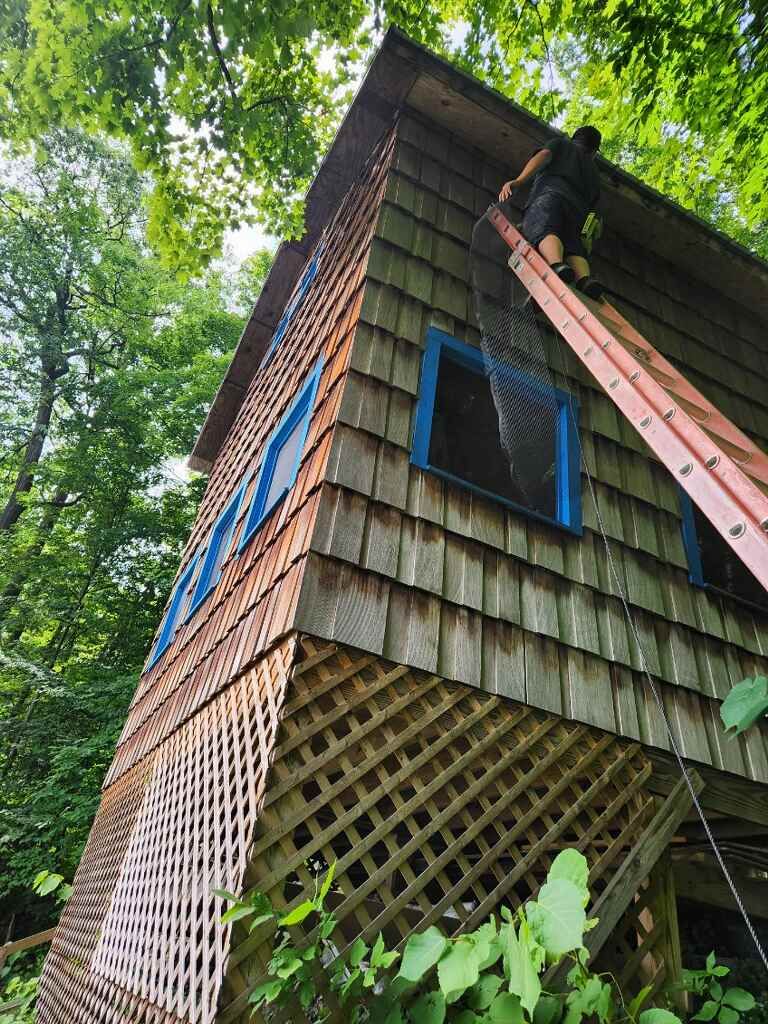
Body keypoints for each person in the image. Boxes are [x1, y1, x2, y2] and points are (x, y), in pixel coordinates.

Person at [499, 126, 604, 299]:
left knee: (545, 228)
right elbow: (594, 211)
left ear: (574, 138)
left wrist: (518, 181)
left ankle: (557, 264)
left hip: (551, 194)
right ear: (593, 151)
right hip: (579, 211)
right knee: (573, 246)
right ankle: (585, 279)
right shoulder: (593, 171)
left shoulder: (561, 144)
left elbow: (544, 156)